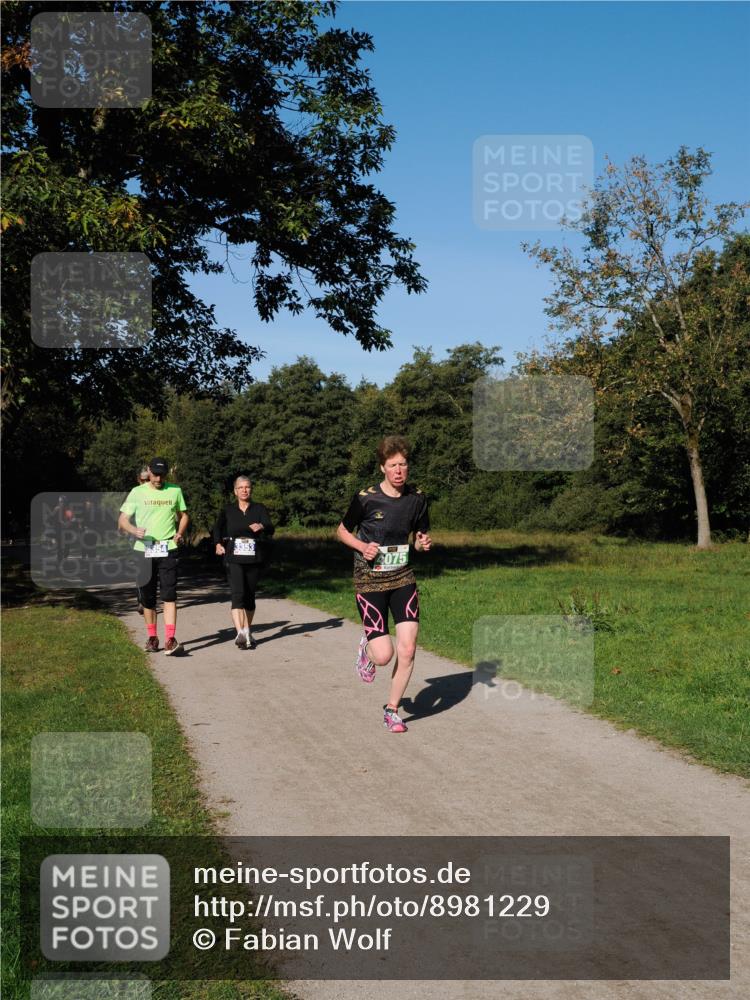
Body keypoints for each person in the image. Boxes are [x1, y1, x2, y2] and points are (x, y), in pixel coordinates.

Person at [336, 435, 432, 733]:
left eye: (403, 464)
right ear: (383, 468)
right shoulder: (366, 498)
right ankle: (368, 647)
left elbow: (419, 536)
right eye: (393, 465)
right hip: (369, 580)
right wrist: (360, 547)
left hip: (402, 577)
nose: (399, 470)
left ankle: (392, 710)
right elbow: (341, 531)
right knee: (384, 656)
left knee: (408, 648)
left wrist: (423, 543)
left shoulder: (418, 498)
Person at [118, 457, 189, 655]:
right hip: (144, 549)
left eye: (162, 475)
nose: (158, 478)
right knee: (148, 598)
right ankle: (152, 637)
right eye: (155, 474)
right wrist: (133, 530)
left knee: (169, 594)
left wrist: (180, 533)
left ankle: (170, 639)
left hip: (168, 547)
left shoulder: (175, 491)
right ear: (148, 471)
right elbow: (122, 519)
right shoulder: (137, 492)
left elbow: (184, 515)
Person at [212, 476, 275, 650]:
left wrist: (262, 527)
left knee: (249, 597)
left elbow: (271, 527)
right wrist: (218, 544)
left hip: (254, 557)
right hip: (233, 557)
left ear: (251, 489)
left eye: (247, 487)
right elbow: (217, 528)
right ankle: (240, 633)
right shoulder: (228, 510)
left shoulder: (259, 508)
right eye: (241, 487)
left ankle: (247, 630)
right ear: (235, 491)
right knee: (237, 594)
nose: (244, 490)